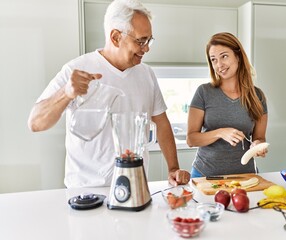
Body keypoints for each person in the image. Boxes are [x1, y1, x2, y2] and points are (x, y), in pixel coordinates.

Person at [27, 0, 190, 188]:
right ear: (115, 37)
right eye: (140, 41)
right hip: (87, 191)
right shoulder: (76, 70)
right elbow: (35, 123)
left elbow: (161, 122)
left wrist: (173, 168)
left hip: (136, 187)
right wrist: (66, 93)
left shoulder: (146, 74)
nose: (146, 48)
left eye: (149, 40)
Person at [186, 32, 268, 178]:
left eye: (224, 56)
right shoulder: (204, 92)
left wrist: (258, 146)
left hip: (245, 177)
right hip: (205, 175)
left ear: (238, 56)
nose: (219, 65)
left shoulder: (257, 96)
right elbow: (191, 139)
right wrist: (220, 132)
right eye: (213, 60)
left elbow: (260, 137)